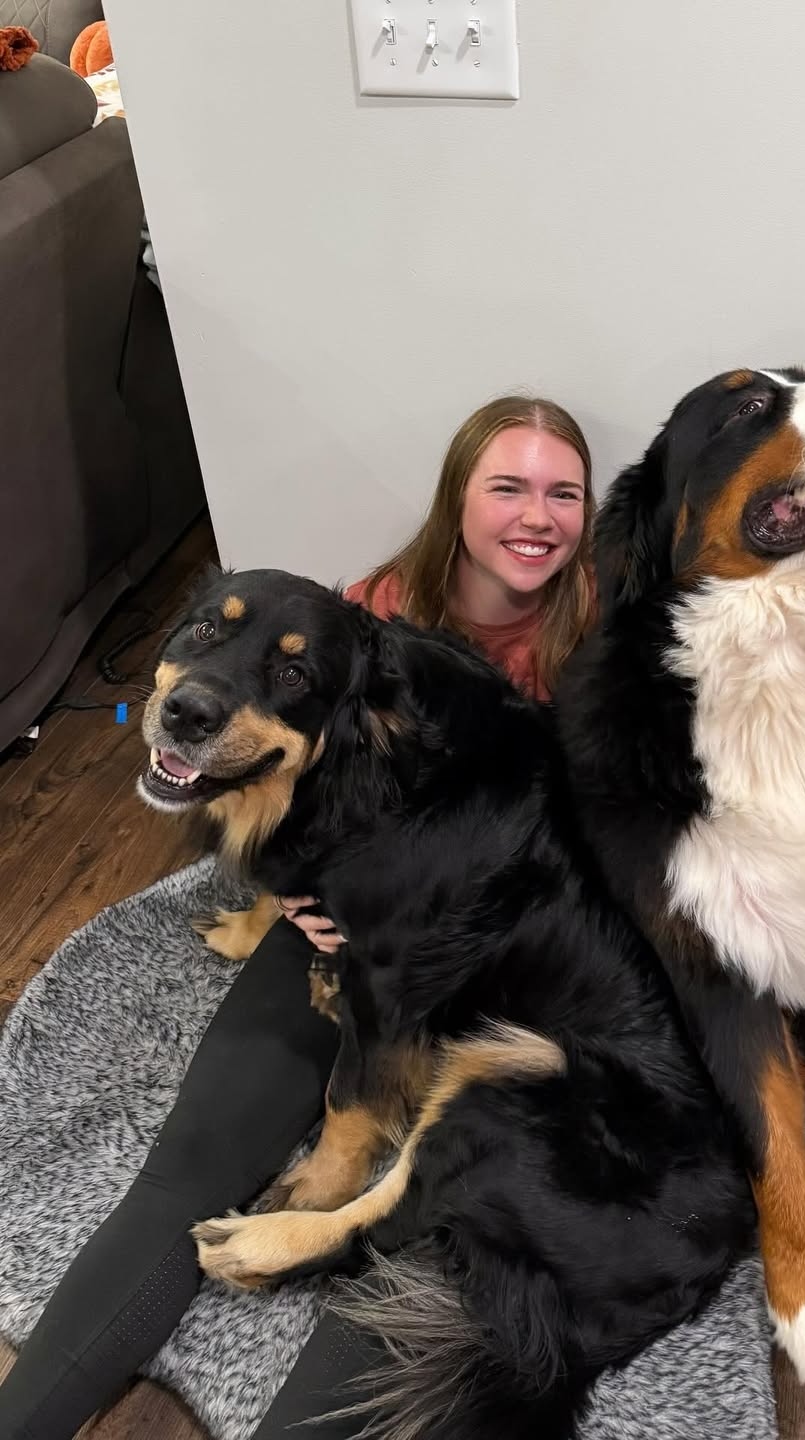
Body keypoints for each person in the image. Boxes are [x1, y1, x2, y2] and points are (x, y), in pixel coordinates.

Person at [0, 396, 594, 1439]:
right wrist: (296, 904)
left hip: (512, 963)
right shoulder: (354, 614)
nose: (536, 516)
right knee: (190, 1169)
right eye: (507, 486)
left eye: (564, 493)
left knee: (449, 1235)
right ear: (458, 497)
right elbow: (287, 795)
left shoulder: (603, 644)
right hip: (338, 933)